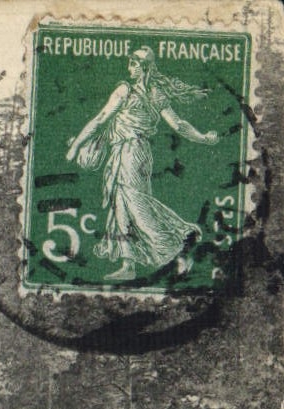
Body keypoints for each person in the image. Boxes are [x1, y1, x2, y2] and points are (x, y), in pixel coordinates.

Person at [65, 46, 218, 280]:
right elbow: (178, 125)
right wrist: (204, 138)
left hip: (129, 152)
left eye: (133, 63)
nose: (129, 67)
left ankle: (179, 242)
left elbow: (101, 119)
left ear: (144, 67)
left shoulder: (125, 90)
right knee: (122, 206)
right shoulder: (156, 93)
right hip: (138, 154)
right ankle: (129, 265)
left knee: (136, 205)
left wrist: (76, 146)